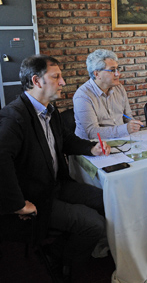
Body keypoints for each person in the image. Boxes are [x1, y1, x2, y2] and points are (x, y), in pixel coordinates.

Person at [0, 55, 111, 280]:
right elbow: (1, 160)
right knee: (94, 224)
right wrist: (18, 205)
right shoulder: (14, 116)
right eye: (56, 76)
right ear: (37, 81)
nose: (63, 82)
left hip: (55, 185)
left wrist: (92, 148)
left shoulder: (50, 110)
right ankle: (66, 263)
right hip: (36, 197)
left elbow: (66, 139)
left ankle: (60, 250)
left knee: (107, 200)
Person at [73, 49, 143, 140]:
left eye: (118, 69)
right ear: (97, 74)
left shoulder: (119, 88)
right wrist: (125, 129)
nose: (118, 74)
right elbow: (92, 132)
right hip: (93, 147)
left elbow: (128, 117)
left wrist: (134, 125)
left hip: (121, 141)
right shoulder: (82, 95)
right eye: (112, 70)